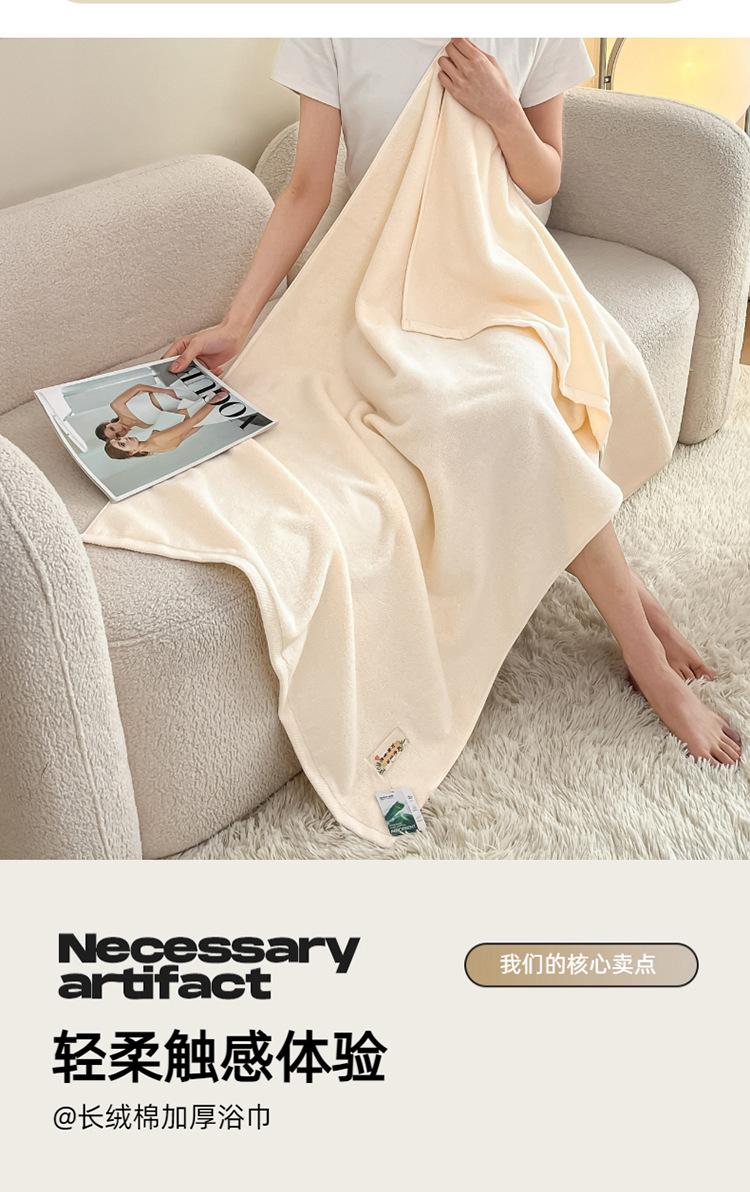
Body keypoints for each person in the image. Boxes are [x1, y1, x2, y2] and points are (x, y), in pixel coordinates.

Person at [165, 38, 741, 765]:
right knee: (499, 415)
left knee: (523, 402)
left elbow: (543, 175)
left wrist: (502, 111)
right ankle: (637, 618)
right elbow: (307, 186)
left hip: (499, 269)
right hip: (379, 282)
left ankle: (641, 648)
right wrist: (240, 320)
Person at [104, 394, 219, 459]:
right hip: (207, 406)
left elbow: (193, 429)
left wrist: (212, 417)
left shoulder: (158, 450)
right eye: (122, 444)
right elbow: (193, 421)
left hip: (207, 411)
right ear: (131, 452)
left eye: (119, 438)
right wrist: (215, 401)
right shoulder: (156, 440)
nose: (124, 439)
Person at [95, 381, 193, 443]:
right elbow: (169, 413)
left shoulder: (117, 405)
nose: (119, 430)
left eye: (112, 428)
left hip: (171, 391)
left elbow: (139, 387)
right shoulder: (144, 426)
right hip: (183, 401)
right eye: (118, 435)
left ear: (109, 424)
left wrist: (165, 391)